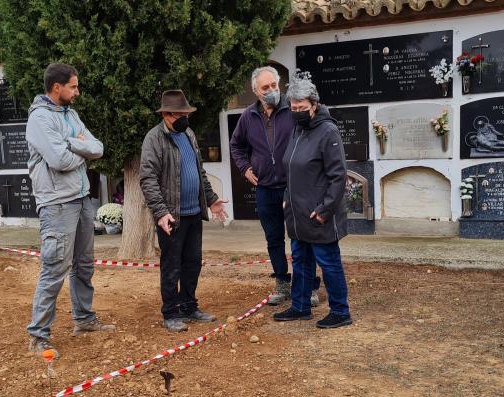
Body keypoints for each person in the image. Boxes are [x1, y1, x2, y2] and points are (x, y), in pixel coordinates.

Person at [25, 63, 116, 358]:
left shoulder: (71, 115)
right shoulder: (40, 119)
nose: (77, 92)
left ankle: (84, 319)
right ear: (57, 87)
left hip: (81, 198)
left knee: (84, 265)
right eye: (73, 86)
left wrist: (74, 146)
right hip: (56, 203)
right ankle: (38, 336)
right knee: (54, 268)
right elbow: (59, 161)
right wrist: (78, 147)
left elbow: (99, 147)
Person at [230, 66, 321, 307]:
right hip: (265, 188)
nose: (272, 91)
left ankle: (309, 285)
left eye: (274, 86)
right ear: (255, 91)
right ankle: (282, 283)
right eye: (265, 88)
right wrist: (245, 169)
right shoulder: (248, 117)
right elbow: (236, 145)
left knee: (301, 237)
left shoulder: (292, 109)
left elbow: (314, 133)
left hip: (293, 187)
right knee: (273, 239)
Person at [140, 90, 229, 332]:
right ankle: (170, 312)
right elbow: (148, 179)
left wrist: (211, 200)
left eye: (186, 113)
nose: (184, 117)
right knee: (172, 265)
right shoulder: (154, 138)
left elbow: (199, 172)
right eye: (179, 114)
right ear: (167, 115)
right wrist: (160, 212)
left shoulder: (188, 133)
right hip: (171, 216)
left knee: (193, 262)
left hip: (193, 213)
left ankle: (189, 305)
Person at [272, 75, 353, 329]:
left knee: (328, 263)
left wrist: (324, 210)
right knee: (301, 261)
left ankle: (340, 311)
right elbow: (291, 169)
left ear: (314, 105)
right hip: (297, 213)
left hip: (319, 215)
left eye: (301, 109)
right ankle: (300, 307)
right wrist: (287, 200)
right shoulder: (297, 129)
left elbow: (338, 176)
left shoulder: (327, 131)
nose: (296, 113)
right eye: (293, 109)